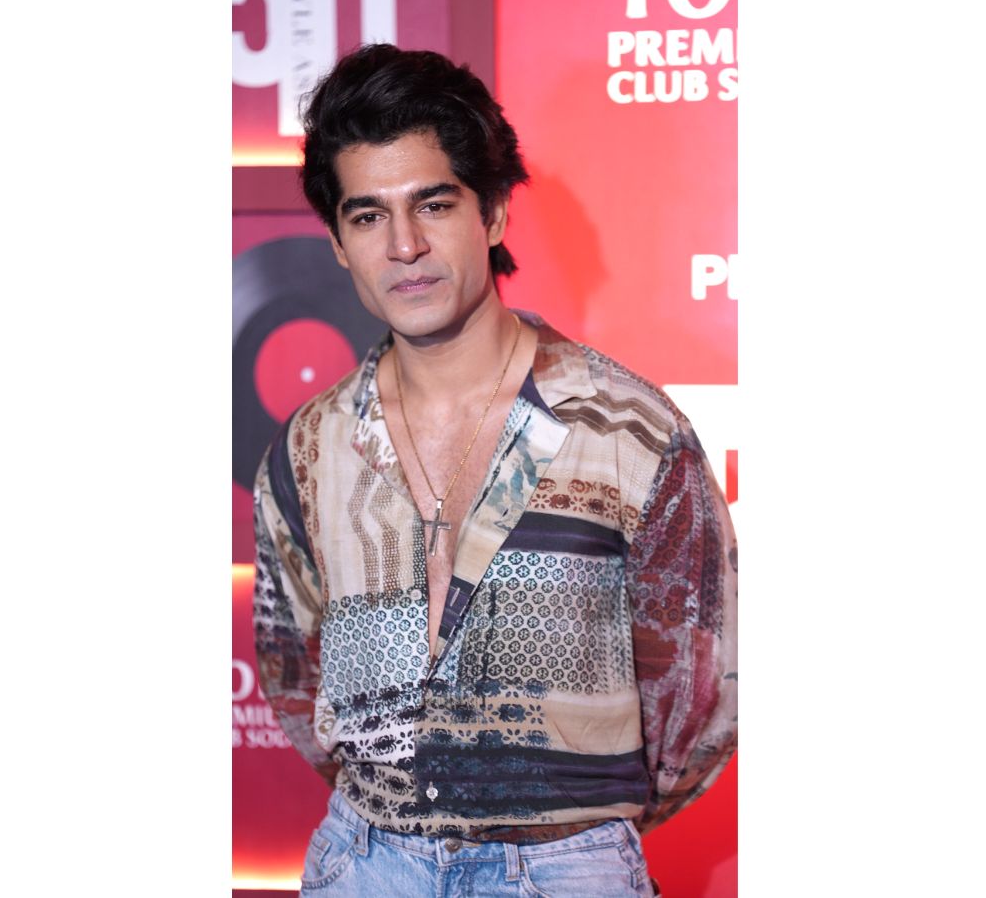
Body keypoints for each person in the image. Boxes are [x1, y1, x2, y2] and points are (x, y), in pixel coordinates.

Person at [252, 43, 737, 897]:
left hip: (568, 870)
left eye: (434, 204)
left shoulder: (630, 430)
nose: (405, 245)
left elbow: (702, 694)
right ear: (337, 243)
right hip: (365, 866)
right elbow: (297, 676)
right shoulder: (309, 450)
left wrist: (570, 831)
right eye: (367, 217)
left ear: (496, 212)